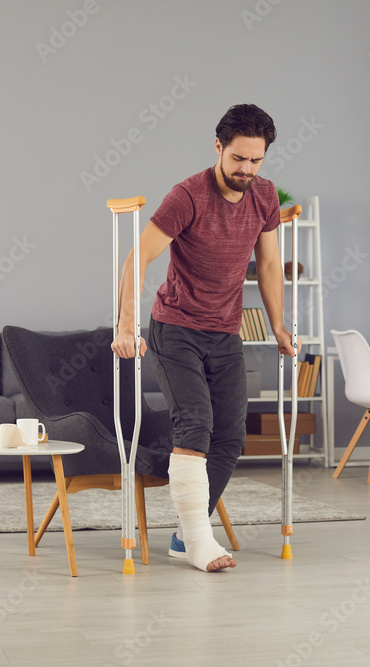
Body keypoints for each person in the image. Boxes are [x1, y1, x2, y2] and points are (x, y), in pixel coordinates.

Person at [111, 104, 297, 572]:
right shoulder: (187, 196)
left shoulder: (265, 196)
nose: (246, 170)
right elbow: (138, 259)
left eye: (256, 161)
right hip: (175, 328)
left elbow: (270, 265)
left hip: (225, 331)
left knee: (232, 437)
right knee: (195, 424)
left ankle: (183, 534)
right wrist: (124, 326)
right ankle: (199, 540)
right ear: (218, 147)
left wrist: (276, 325)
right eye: (238, 159)